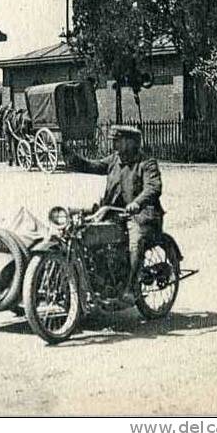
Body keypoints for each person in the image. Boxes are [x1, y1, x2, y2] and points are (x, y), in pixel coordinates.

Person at [64, 125, 164, 303]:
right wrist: (71, 157)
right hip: (114, 212)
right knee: (83, 228)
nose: (114, 144)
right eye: (114, 141)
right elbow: (92, 166)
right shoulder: (115, 160)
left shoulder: (146, 163)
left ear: (130, 142)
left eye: (117, 141)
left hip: (141, 214)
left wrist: (137, 203)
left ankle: (132, 287)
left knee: (136, 240)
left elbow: (153, 187)